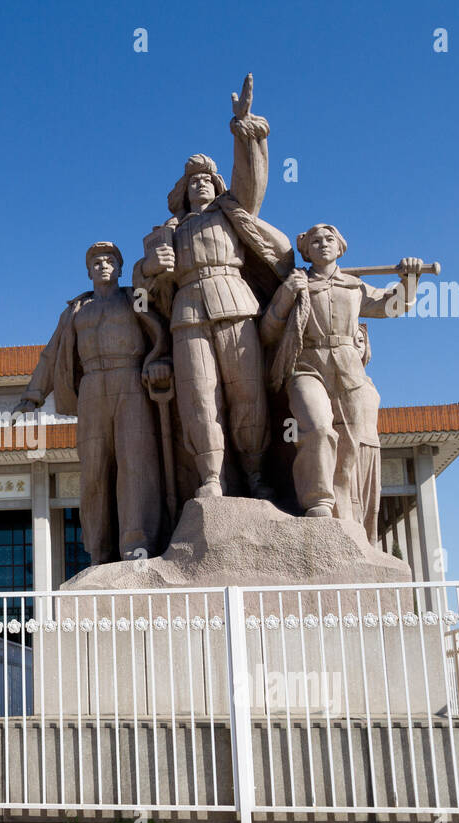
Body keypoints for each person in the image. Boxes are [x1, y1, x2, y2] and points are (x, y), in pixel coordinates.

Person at [133, 76, 293, 500]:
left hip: (234, 301)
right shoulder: (165, 233)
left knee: (247, 395)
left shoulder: (232, 212)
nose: (201, 183)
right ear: (181, 192)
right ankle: (210, 478)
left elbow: (251, 180)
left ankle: (257, 475)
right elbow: (139, 293)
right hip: (187, 311)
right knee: (200, 398)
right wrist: (149, 269)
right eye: (193, 181)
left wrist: (242, 130)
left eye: (207, 178)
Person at [258, 223, 420, 535]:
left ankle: (345, 511)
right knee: (317, 428)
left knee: (351, 443)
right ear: (306, 250)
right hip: (307, 366)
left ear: (340, 246)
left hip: (349, 368)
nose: (322, 244)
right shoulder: (296, 283)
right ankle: (317, 500)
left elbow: (394, 306)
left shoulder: (353, 286)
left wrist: (409, 279)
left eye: (329, 239)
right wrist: (285, 296)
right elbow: (267, 332)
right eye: (315, 240)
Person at [15, 242, 171, 563]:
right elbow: (51, 354)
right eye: (97, 261)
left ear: (120, 267)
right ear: (88, 271)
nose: (103, 265)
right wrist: (32, 397)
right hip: (91, 388)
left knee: (134, 464)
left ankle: (135, 543)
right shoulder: (75, 311)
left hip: (130, 381)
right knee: (94, 470)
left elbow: (162, 323)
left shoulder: (133, 298)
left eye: (110, 259)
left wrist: (161, 359)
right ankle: (99, 550)